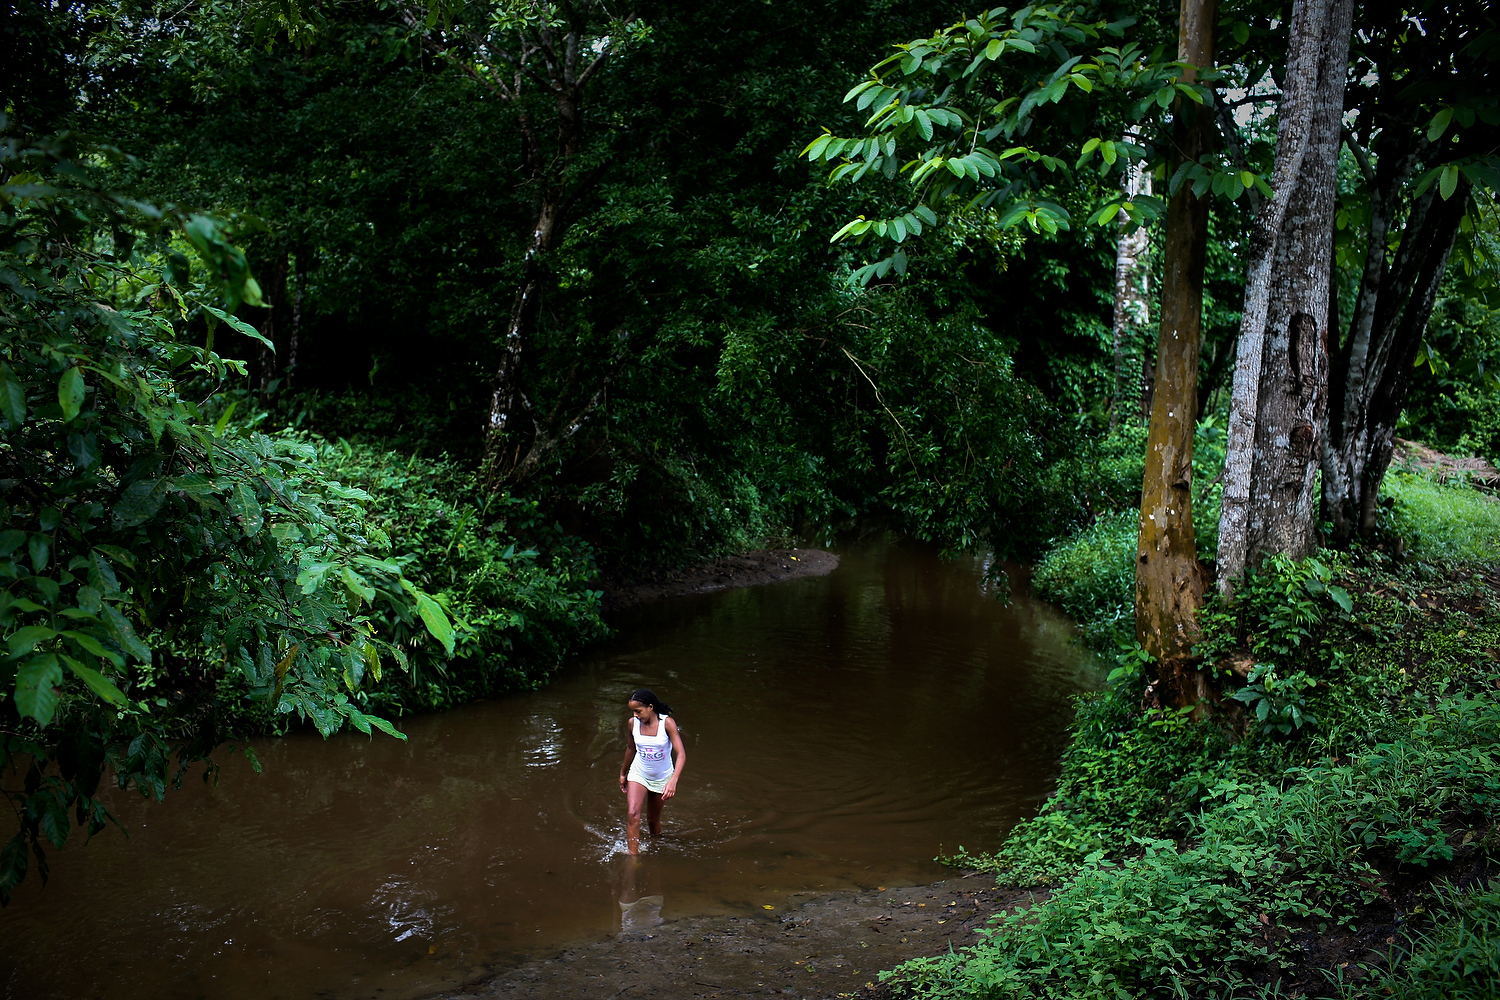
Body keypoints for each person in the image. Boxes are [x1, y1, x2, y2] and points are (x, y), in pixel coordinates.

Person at [618, 688, 686, 855]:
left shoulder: (667, 724)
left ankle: (658, 846)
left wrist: (673, 781)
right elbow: (630, 748)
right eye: (633, 711)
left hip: (662, 777)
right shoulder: (633, 723)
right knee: (633, 814)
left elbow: (681, 754)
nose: (635, 715)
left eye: (638, 711)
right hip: (639, 773)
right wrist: (623, 773)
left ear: (650, 707)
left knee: (652, 821)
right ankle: (633, 859)